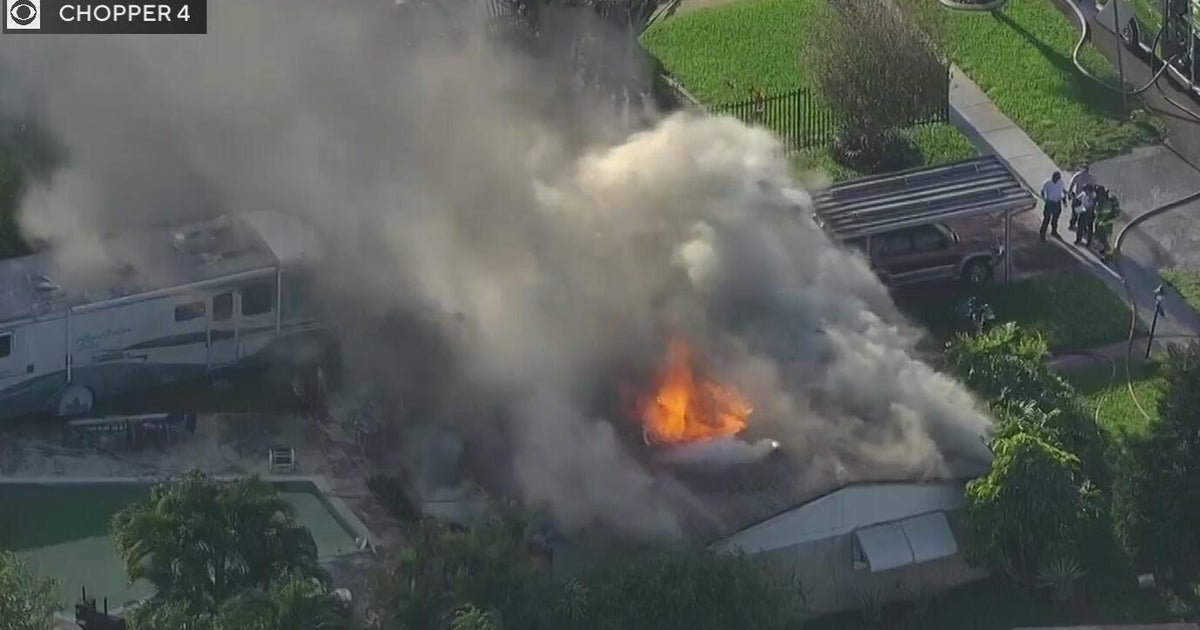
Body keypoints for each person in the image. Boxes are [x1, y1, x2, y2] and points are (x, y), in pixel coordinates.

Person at [1067, 165, 1095, 231]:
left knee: (1076, 212)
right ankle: (1079, 225)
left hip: (1080, 197)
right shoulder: (1090, 177)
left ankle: (1075, 224)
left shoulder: (1079, 175)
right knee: (1079, 212)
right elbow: (1093, 187)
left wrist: (1070, 193)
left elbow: (1072, 184)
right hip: (1082, 197)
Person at [1039, 171, 1066, 241]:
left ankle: (1054, 231)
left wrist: (1064, 201)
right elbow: (1042, 191)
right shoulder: (1047, 183)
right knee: (1046, 218)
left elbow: (1063, 191)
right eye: (1057, 178)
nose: (1058, 179)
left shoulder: (1060, 182)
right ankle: (1042, 233)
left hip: (1057, 202)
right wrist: (1044, 199)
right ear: (1053, 177)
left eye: (1059, 178)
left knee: (1055, 219)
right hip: (1050, 203)